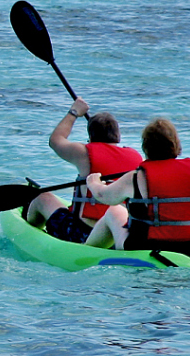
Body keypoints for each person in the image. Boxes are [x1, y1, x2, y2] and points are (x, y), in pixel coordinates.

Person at [82, 116, 190, 259]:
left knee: (114, 211)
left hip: (146, 247)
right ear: (176, 145)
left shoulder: (136, 176)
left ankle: (85, 252)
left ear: (146, 147)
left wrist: (93, 181)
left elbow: (105, 197)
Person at [22, 97, 140, 248]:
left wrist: (74, 112)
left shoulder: (85, 153)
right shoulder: (135, 156)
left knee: (41, 197)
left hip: (83, 234)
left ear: (91, 136)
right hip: (117, 233)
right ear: (117, 135)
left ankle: (29, 231)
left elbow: (55, 140)